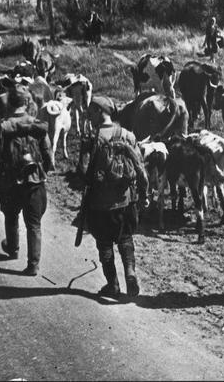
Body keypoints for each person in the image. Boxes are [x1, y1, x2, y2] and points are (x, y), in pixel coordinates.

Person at [82, 96, 149, 298]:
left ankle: (113, 285)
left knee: (104, 244)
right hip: (127, 200)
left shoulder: (94, 138)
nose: (89, 116)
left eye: (91, 112)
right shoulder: (128, 135)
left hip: (100, 203)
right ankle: (130, 271)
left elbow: (83, 171)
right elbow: (140, 166)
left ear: (101, 111)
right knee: (125, 238)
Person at [0, 85, 54, 276]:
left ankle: (12, 249)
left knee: (11, 216)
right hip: (34, 180)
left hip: (11, 180)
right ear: (27, 102)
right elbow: (48, 154)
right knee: (34, 224)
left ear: (9, 103)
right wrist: (43, 170)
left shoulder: (5, 126)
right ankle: (33, 265)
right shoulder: (37, 124)